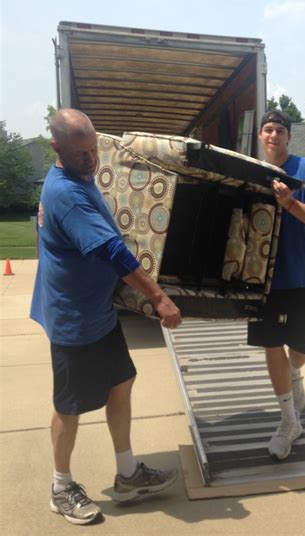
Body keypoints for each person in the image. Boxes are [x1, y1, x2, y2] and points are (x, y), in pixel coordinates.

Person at [30, 109, 182, 525]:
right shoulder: (65, 193)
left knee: (122, 380)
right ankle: (61, 486)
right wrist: (158, 298)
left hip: (97, 310)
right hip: (73, 317)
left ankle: (129, 473)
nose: (91, 160)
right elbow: (110, 252)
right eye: (80, 153)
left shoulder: (80, 176)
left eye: (94, 149)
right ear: (56, 148)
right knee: (70, 406)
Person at [248, 110, 305, 460]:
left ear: (288, 137)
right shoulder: (250, 171)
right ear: (260, 136)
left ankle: (294, 376)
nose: (273, 135)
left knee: (300, 349)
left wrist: (289, 202)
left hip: (301, 277)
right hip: (262, 280)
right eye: (267, 129)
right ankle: (288, 420)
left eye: (279, 130)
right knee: (271, 346)